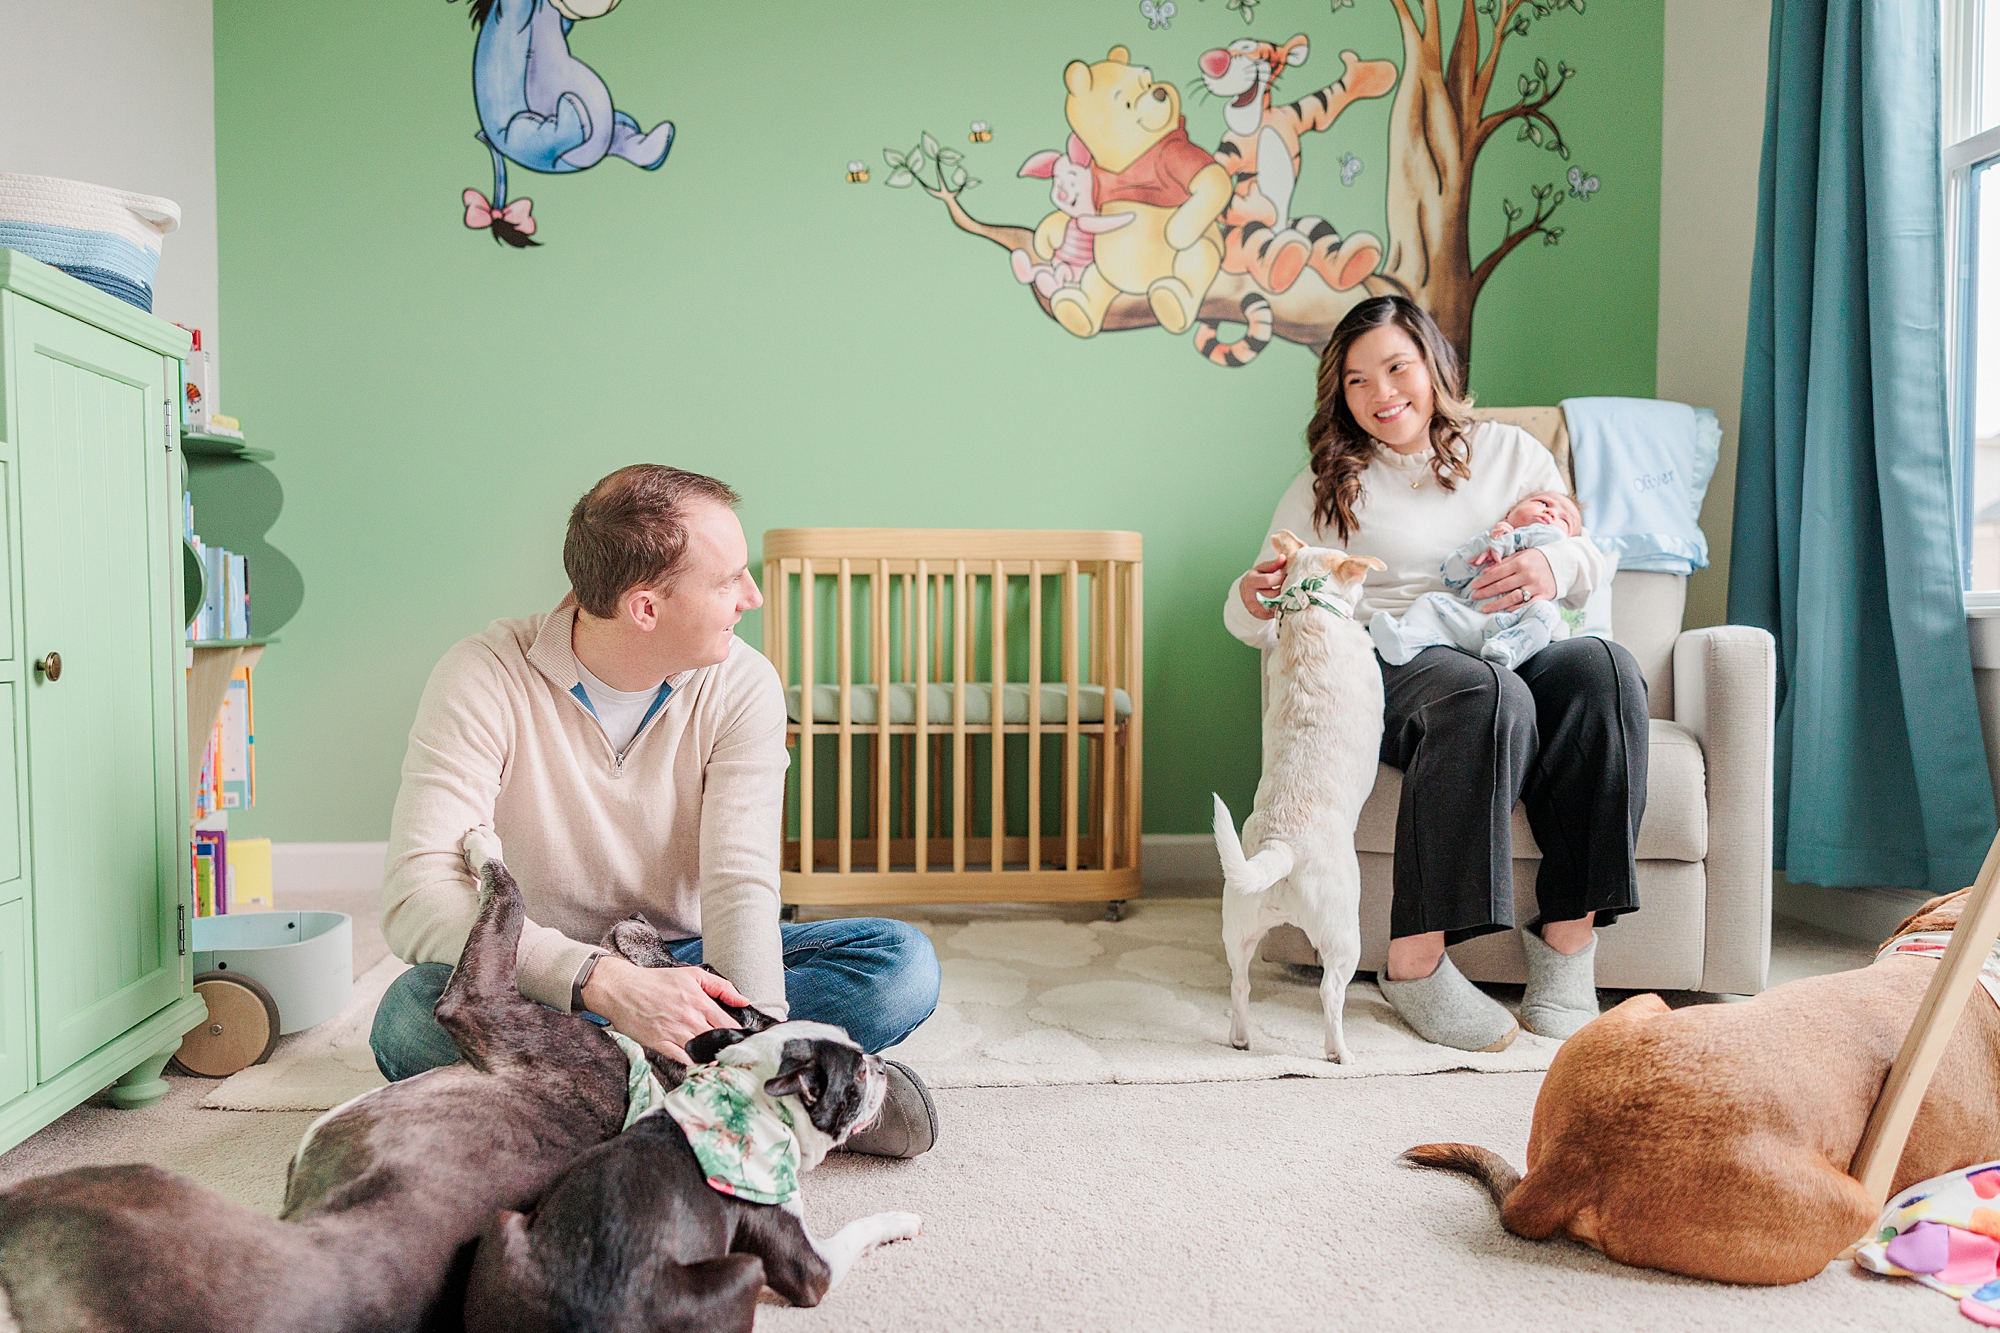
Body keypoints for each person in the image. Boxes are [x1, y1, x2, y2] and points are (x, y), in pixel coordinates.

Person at [370, 464, 941, 1157]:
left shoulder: (743, 683)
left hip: (695, 969)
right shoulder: (482, 674)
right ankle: (777, 1105)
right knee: (408, 1015)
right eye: (729, 579)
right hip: (553, 976)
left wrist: (753, 1035)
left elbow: (740, 881)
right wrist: (603, 982)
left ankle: (631, 1099)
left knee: (901, 964)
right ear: (646, 607)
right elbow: (416, 895)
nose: (752, 595)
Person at [1223, 296, 1648, 1051]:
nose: (1382, 395)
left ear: (1434, 365)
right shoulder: (1327, 484)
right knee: (1485, 692)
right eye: (1357, 381)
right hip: (1397, 664)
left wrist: (1546, 563)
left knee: (1606, 671)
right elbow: (1265, 612)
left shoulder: (1514, 453)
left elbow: (1579, 548)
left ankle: (1568, 942)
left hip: (1513, 637)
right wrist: (1251, 596)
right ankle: (1416, 962)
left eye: (1396, 368)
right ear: (1339, 395)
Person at [1367, 489, 1584, 670]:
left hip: (1514, 623)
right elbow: (1451, 576)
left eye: (1564, 520)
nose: (1550, 513)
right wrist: (1488, 541)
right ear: (1510, 512)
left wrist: (1512, 542)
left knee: (1544, 613)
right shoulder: (1489, 540)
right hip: (1469, 616)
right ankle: (1403, 640)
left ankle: (1506, 652)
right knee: (1430, 601)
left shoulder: (1554, 551)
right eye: (1542, 502)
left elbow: (1550, 535)